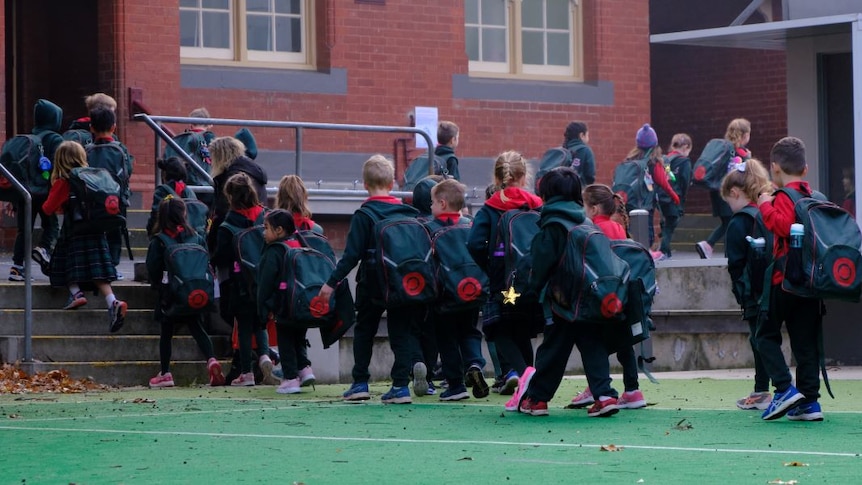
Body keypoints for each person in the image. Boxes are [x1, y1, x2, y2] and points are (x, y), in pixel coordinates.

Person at [317, 154, 426, 404]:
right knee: (402, 332)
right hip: (403, 282)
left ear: (365, 184)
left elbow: (351, 256)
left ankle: (360, 383)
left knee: (364, 330)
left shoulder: (364, 215)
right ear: (392, 184)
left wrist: (331, 283)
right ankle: (400, 385)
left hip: (372, 283)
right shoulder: (408, 213)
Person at [518, 167, 620, 417]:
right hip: (591, 297)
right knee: (592, 345)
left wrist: (528, 291)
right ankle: (605, 395)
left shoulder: (552, 224)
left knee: (552, 349)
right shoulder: (584, 221)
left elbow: (541, 263)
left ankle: (537, 399)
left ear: (546, 193)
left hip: (562, 299)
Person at [467, 150, 544, 410]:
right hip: (531, 280)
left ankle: (523, 374)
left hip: (503, 282)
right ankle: (530, 391)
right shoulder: (536, 204)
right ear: (524, 177)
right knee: (523, 331)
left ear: (497, 176)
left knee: (497, 328)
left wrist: (490, 266)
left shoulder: (491, 208)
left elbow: (475, 243)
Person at [756, 136, 824, 422]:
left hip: (784, 280)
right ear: (805, 169)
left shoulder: (785, 197)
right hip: (811, 284)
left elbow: (784, 226)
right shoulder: (814, 198)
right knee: (805, 342)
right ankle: (809, 402)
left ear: (775, 169)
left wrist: (764, 205)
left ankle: (784, 389)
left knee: (764, 335)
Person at [566, 184, 645, 410]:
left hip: (601, 294)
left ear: (593, 208)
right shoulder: (619, 228)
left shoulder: (591, 229)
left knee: (591, 341)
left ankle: (596, 387)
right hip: (623, 294)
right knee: (624, 344)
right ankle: (632, 390)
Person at [42, 141, 127, 332]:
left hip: (74, 232)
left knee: (61, 263)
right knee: (99, 272)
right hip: (96, 230)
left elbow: (48, 209)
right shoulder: (92, 177)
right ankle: (112, 301)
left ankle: (76, 293)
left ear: (59, 161)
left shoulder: (65, 181)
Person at [146, 197, 224, 388]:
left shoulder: (160, 241)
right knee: (197, 328)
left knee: (166, 333)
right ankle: (211, 359)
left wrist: (157, 285)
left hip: (170, 295)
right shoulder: (196, 237)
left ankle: (165, 373)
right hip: (194, 292)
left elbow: (152, 268)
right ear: (184, 215)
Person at [424, 179, 489, 401]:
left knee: (447, 338)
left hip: (445, 295)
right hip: (473, 289)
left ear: (442, 203)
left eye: (432, 202)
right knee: (470, 331)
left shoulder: (429, 229)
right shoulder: (470, 225)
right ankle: (474, 363)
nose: (430, 206)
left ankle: (456, 385)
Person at [211, 172, 276, 386]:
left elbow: (222, 256)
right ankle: (266, 356)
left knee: (245, 326)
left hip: (240, 282)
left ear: (230, 197)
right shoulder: (265, 217)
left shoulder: (228, 225)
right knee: (262, 323)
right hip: (264, 279)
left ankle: (247, 372)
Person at [720, 158, 775, 411]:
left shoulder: (739, 221)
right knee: (769, 337)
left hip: (753, 292)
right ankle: (771, 388)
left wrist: (741, 295)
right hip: (774, 285)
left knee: (758, 339)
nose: (729, 206)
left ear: (735, 192)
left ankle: (764, 390)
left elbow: (736, 264)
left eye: (728, 201)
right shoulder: (767, 212)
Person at [2, 99, 63, 281]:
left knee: (24, 230)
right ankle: (43, 249)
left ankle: (17, 267)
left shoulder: (31, 138)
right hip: (45, 192)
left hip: (26, 192)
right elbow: (57, 167)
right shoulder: (55, 139)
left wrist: (14, 199)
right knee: (51, 226)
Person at [257, 209, 316, 394]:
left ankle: (290, 378)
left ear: (279, 230)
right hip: (301, 302)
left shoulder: (274, 251)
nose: (263, 232)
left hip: (283, 305)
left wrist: (262, 308)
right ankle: (305, 369)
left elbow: (265, 283)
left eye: (266, 228)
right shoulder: (298, 244)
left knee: (285, 340)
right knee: (299, 338)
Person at [618, 124, 680, 255]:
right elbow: (664, 181)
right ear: (655, 144)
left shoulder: (630, 159)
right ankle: (646, 254)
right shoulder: (655, 161)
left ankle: (635, 252)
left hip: (630, 200)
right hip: (645, 203)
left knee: (632, 229)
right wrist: (674, 196)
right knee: (648, 233)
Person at [87, 107, 134, 277]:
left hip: (93, 200)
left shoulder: (87, 150)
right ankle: (112, 267)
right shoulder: (121, 149)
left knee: (95, 233)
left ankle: (95, 266)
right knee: (115, 234)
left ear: (91, 128)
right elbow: (128, 170)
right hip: (116, 200)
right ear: (114, 127)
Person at [697, 118, 752, 259]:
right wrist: (748, 158)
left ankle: (710, 245)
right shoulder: (740, 153)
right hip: (731, 193)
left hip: (716, 190)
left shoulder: (724, 148)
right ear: (745, 135)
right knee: (732, 222)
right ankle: (718, 248)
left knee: (728, 222)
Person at [208, 136, 268, 248]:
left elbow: (223, 211)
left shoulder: (232, 179)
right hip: (256, 231)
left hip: (237, 236)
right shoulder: (252, 170)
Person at [656, 134, 693, 260]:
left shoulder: (664, 159)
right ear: (686, 147)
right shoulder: (684, 161)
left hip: (661, 195)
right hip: (674, 196)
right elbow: (685, 182)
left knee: (666, 221)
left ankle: (666, 251)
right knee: (672, 222)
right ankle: (663, 250)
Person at [146, 157, 196, 237]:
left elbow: (155, 215)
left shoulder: (162, 191)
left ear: (165, 173)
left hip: (168, 236)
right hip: (188, 236)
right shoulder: (190, 192)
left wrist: (150, 232)